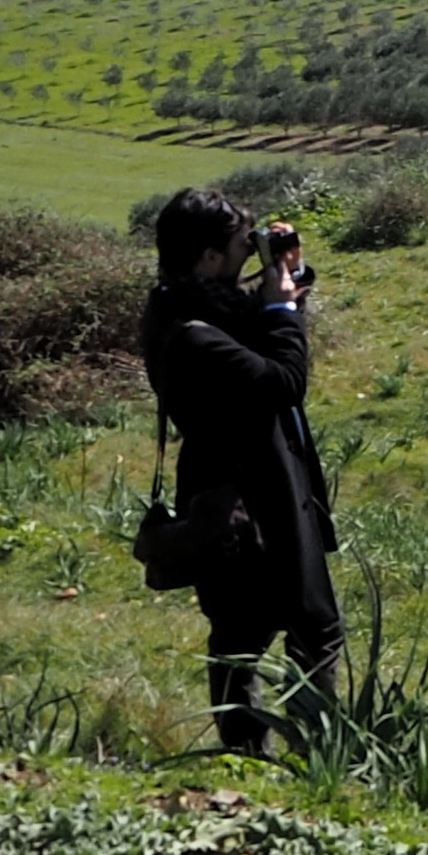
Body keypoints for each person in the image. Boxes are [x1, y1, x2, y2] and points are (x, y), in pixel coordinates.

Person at [140, 188, 341, 755]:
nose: (246, 261)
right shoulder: (195, 336)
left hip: (231, 489)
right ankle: (311, 752)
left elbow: (246, 320)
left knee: (239, 629)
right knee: (312, 628)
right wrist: (280, 310)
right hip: (254, 499)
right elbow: (282, 381)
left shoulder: (175, 305)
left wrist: (286, 279)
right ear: (207, 257)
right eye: (238, 249)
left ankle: (245, 755)